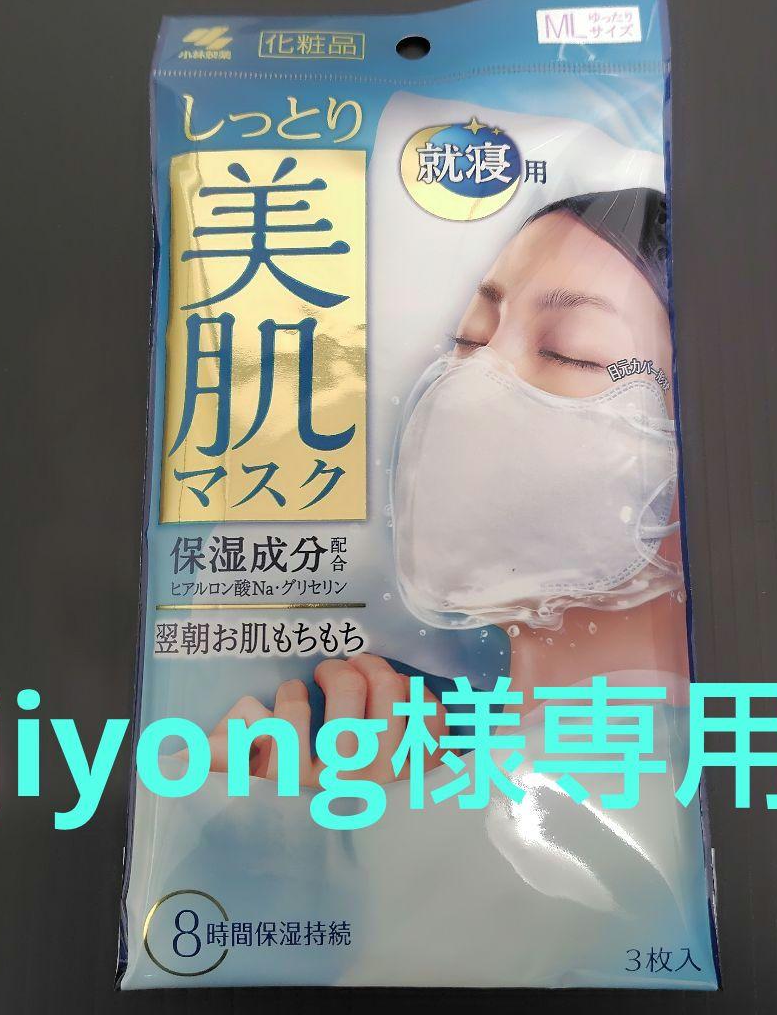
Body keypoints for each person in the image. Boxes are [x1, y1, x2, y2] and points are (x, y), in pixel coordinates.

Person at [204, 187, 688, 782]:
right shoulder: (434, 760)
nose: (470, 389)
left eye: (570, 353)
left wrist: (337, 829)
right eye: (472, 339)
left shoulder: (674, 780)